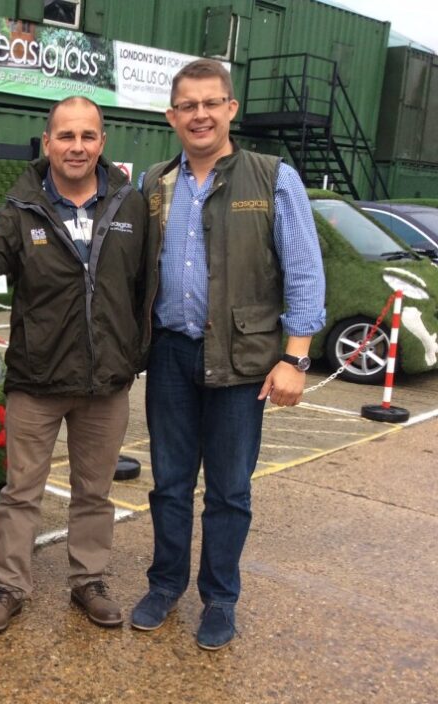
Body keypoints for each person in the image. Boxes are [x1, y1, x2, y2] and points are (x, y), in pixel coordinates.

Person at [0, 96, 152, 634]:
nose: (77, 147)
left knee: (95, 491)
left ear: (102, 143)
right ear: (47, 143)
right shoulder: (20, 212)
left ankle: (88, 580)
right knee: (22, 492)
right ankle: (10, 585)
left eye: (88, 136)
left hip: (106, 382)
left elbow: (147, 287)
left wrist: (135, 352)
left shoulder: (130, 206)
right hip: (37, 381)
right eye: (66, 136)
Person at [130, 59, 326, 650]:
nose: (200, 115)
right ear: (171, 116)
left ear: (231, 109)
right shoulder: (155, 183)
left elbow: (303, 272)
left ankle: (220, 598)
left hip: (244, 363)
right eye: (188, 105)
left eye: (211, 103)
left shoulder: (273, 178)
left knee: (229, 490)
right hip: (170, 356)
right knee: (168, 483)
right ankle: (165, 585)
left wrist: (295, 358)